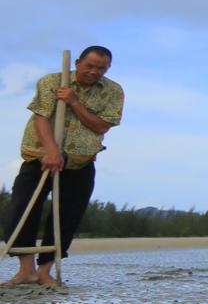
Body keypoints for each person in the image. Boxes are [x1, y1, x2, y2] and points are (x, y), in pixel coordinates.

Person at [3, 46, 123, 287]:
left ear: (108, 69)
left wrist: (73, 102)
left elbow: (102, 126)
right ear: (78, 63)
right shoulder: (52, 81)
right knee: (22, 208)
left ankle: (45, 270)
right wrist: (51, 151)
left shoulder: (113, 91)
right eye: (89, 66)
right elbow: (40, 117)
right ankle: (26, 270)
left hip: (80, 161)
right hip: (40, 157)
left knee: (67, 216)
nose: (94, 72)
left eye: (101, 68)